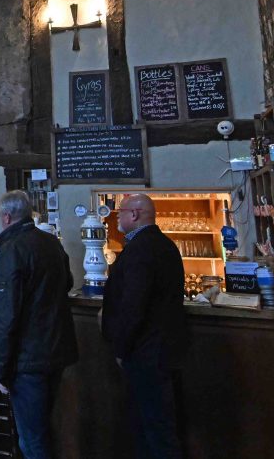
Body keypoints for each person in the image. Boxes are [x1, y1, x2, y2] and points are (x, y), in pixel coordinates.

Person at [0, 190, 78, 459]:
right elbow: (68, 283)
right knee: (41, 430)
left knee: (32, 440)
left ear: (6, 217)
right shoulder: (51, 242)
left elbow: (6, 315)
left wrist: (0, 369)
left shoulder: (11, 249)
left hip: (28, 357)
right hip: (57, 348)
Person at [101, 193, 187, 459]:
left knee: (154, 430)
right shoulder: (165, 245)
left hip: (146, 352)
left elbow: (134, 306)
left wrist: (120, 348)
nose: (118, 217)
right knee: (155, 426)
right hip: (163, 348)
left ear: (135, 214)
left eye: (120, 212)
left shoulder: (140, 250)